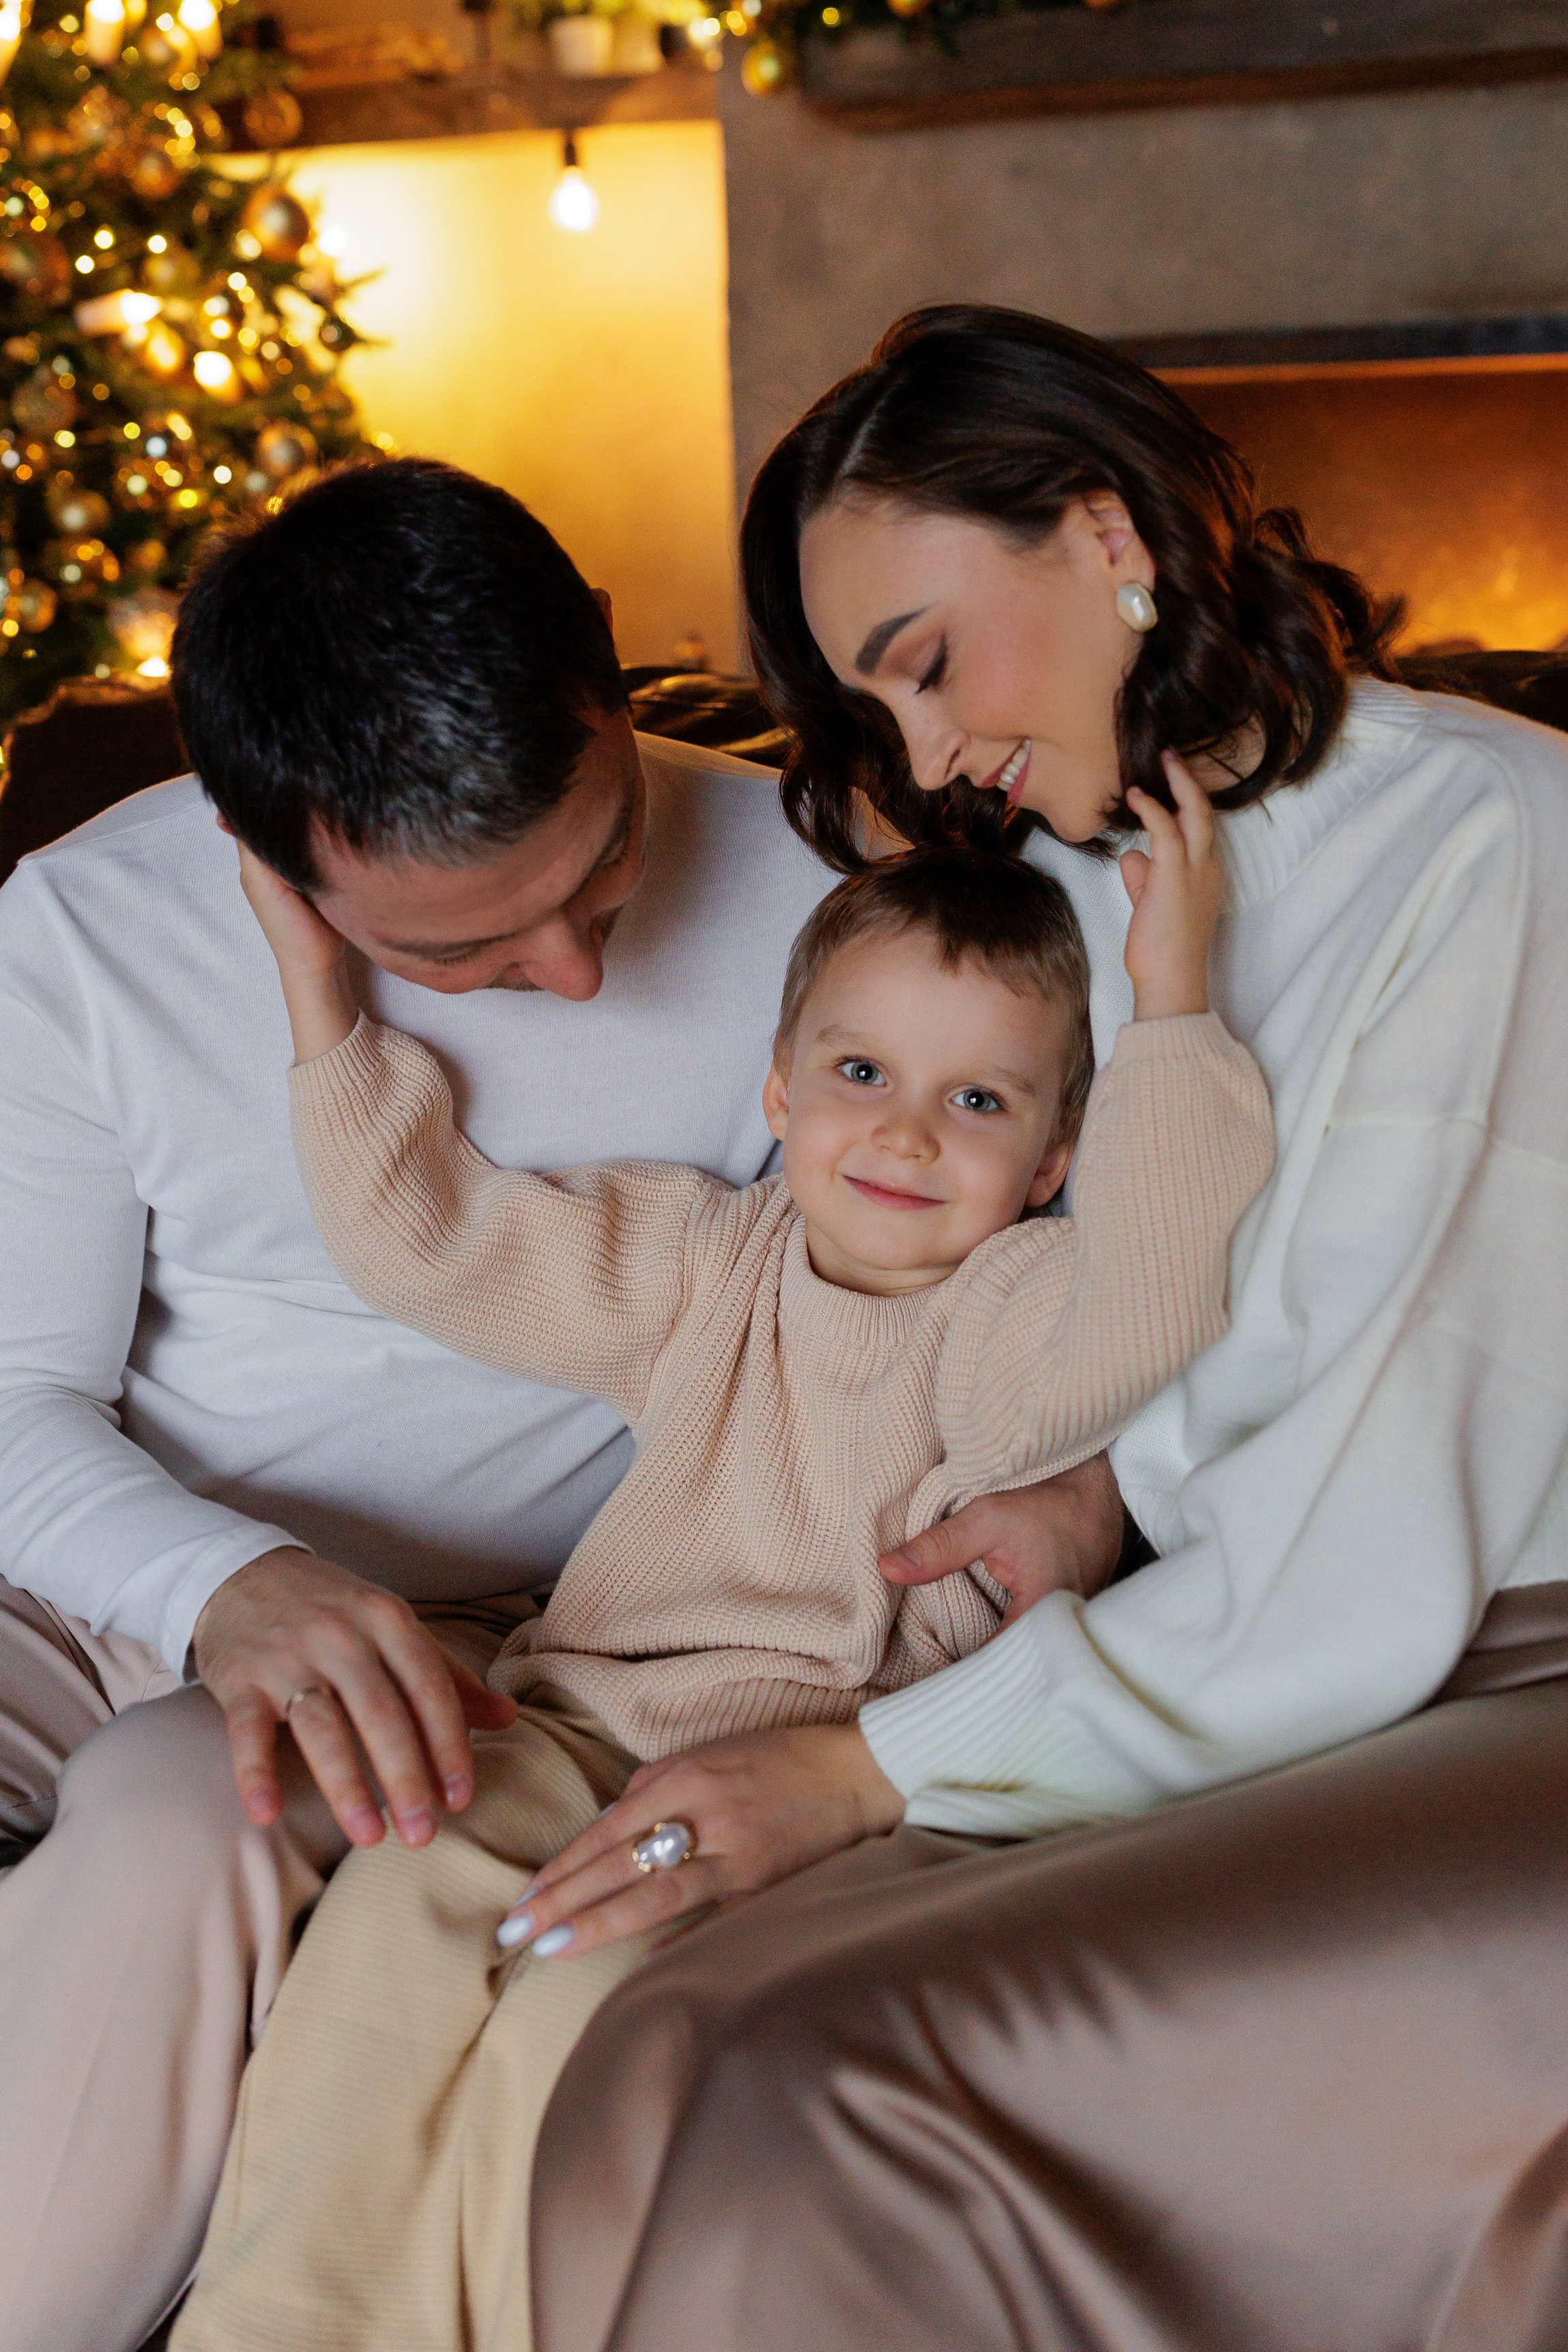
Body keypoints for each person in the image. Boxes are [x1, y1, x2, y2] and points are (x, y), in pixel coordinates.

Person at [512, 304, 1568, 2352]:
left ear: (1108, 538)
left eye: (922, 663)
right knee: (647, 2039)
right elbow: (1195, 1329)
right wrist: (1096, 1483)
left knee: (804, 2092)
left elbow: (1392, 1489)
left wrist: (863, 1767)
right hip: (1269, 1654)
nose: (921, 758)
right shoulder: (1080, 901)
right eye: (865, 707)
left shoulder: (1510, 837)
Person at [0, 452, 1114, 2352]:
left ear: (610, 671)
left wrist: (1088, 1484)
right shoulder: (81, 938)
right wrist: (231, 1584)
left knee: (188, 1818)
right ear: (275, 854)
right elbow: (19, 1400)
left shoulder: (839, 906)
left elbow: (1012, 1283)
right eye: (462, 950)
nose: (578, 972)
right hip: (100, 1568)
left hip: (493, 1663)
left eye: (602, 865)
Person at [171, 774, 1268, 2352]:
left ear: (1047, 1161)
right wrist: (318, 985)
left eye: (977, 1103)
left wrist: (1169, 1005)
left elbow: (1151, 1296)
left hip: (814, 1779)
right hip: (580, 1723)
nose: (900, 1131)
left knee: (569, 2018)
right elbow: (434, 1243)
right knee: (394, 1918)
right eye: (859, 1071)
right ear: (775, 1092)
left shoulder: (1013, 1311)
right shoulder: (704, 1258)